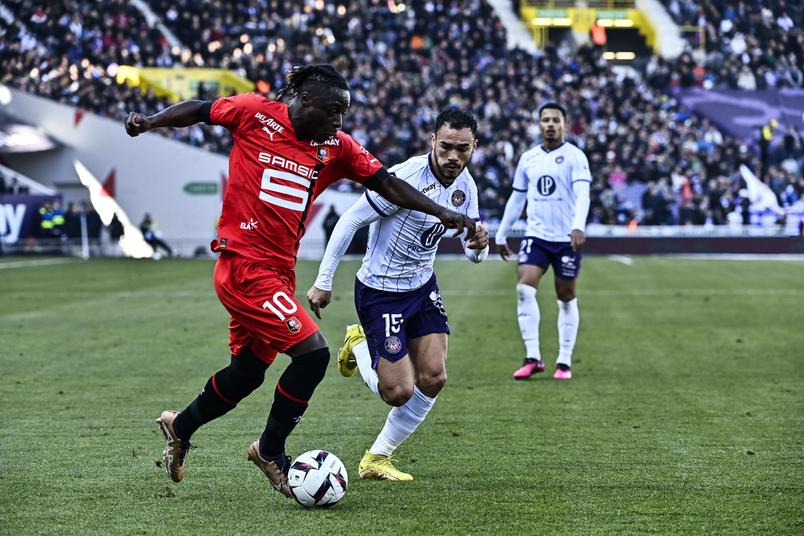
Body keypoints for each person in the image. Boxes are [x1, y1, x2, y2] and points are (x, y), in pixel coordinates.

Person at [123, 64, 476, 497]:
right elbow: (200, 109)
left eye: (344, 113)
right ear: (306, 100)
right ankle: (270, 450)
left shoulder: (336, 147)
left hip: (278, 271)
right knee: (313, 355)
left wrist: (443, 212)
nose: (339, 121)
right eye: (333, 111)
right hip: (243, 266)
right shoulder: (254, 113)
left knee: (247, 373)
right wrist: (151, 121)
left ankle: (181, 425)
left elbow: (387, 183)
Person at [307, 108, 489, 480]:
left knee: (434, 377)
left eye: (463, 149)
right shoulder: (404, 178)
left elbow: (473, 253)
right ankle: (357, 343)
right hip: (381, 292)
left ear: (474, 147)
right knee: (398, 392)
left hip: (422, 289)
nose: (454, 157)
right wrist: (323, 281)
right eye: (448, 147)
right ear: (433, 141)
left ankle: (377, 457)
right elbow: (350, 220)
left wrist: (480, 243)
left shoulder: (466, 186)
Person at [495, 103, 592, 381]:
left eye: (555, 120)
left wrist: (577, 225)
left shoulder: (575, 156)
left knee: (565, 296)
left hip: (565, 240)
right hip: (536, 236)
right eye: (545, 120)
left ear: (565, 124)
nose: (550, 124)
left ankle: (564, 361)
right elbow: (517, 198)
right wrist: (502, 233)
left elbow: (583, 193)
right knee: (524, 289)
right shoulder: (528, 159)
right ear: (539, 125)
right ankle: (533, 357)